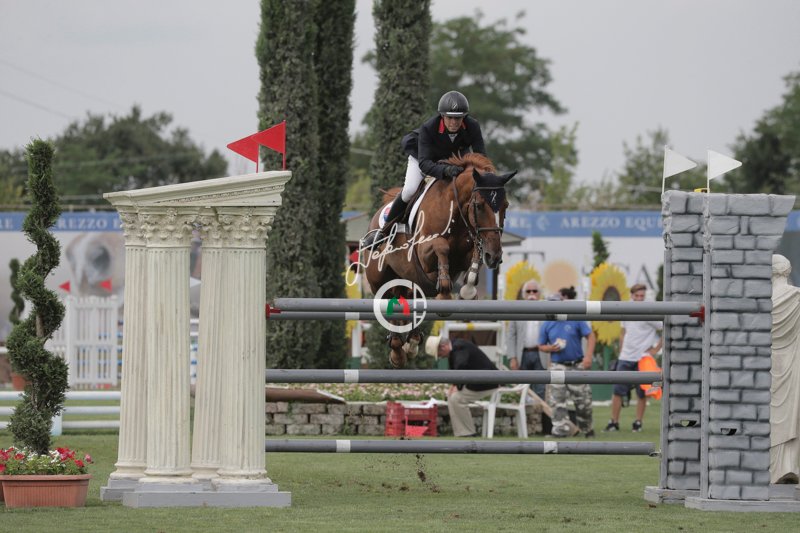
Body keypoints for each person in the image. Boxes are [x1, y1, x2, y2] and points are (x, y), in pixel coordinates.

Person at [366, 90, 486, 246]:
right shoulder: (429, 128)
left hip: (452, 159)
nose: (454, 122)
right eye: (449, 117)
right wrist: (445, 171)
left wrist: (485, 176)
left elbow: (480, 157)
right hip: (423, 158)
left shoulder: (472, 126)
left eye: (458, 118)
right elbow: (424, 164)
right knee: (409, 190)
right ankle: (383, 231)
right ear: (442, 116)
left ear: (464, 117)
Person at [603, 283, 662, 433]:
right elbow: (623, 331)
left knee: (642, 393)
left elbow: (666, 328)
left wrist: (656, 349)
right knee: (617, 391)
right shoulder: (626, 310)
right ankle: (614, 422)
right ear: (632, 296)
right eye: (637, 296)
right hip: (626, 357)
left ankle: (638, 422)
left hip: (643, 358)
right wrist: (621, 350)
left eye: (642, 296)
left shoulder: (650, 312)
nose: (640, 299)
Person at [539, 286, 596, 437]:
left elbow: (590, 336)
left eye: (556, 303)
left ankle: (587, 429)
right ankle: (560, 430)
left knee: (583, 402)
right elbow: (541, 345)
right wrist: (550, 348)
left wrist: (588, 357)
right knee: (557, 401)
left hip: (576, 364)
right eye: (551, 304)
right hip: (557, 365)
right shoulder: (546, 323)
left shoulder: (575, 318)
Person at [425, 334, 498, 437]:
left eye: (439, 354)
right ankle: (461, 432)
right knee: (452, 397)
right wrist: (454, 386)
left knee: (457, 398)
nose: (441, 357)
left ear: (443, 347)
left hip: (489, 382)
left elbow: (461, 367)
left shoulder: (459, 347)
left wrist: (456, 386)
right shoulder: (456, 347)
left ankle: (468, 433)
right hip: (481, 382)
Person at [770, 254, 800, 484]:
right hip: (792, 361)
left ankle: (776, 468)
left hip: (771, 362)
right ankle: (790, 465)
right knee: (792, 415)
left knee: (773, 415)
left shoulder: (765, 302)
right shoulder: (796, 297)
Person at [505, 278, 547, 400]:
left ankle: (538, 413)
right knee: (522, 389)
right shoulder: (517, 310)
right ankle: (525, 412)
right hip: (522, 355)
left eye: (534, 291)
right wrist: (512, 357)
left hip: (541, 354)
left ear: (539, 294)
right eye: (528, 291)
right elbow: (511, 335)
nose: (531, 294)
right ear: (524, 294)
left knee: (540, 389)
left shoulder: (547, 309)